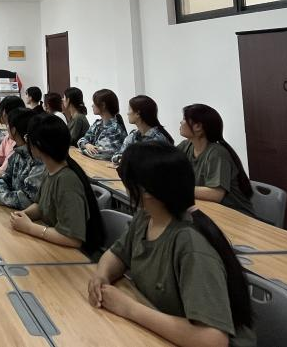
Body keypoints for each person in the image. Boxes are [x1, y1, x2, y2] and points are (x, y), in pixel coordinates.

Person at [89, 144, 256, 347]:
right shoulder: (147, 216)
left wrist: (129, 308)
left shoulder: (191, 244)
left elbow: (213, 340)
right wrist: (102, 276)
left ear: (146, 191)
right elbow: (117, 254)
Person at [10, 114, 104, 252]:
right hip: (55, 247)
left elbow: (73, 239)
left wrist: (30, 227)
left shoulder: (67, 180)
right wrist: (23, 215)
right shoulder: (50, 170)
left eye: (28, 138)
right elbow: (41, 206)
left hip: (77, 256)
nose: (26, 142)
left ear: (39, 145)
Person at [178, 104, 255, 217]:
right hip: (210, 210)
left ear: (198, 126)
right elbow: (166, 164)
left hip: (236, 214)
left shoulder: (217, 153)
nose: (181, 122)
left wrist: (178, 188)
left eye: (184, 119)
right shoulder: (186, 146)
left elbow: (215, 194)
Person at [0, 107, 45, 209]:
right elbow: (6, 180)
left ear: (13, 130)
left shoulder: (37, 159)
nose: (6, 128)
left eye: (7, 125)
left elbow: (25, 200)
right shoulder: (18, 152)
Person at [111, 95, 174, 166]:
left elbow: (153, 165)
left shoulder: (158, 139)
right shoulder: (133, 135)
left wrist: (127, 160)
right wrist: (121, 159)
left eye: (129, 109)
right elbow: (117, 156)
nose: (127, 113)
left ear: (138, 113)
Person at [77, 89, 127, 160]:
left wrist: (82, 149)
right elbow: (82, 140)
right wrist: (87, 145)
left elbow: (100, 154)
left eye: (94, 103)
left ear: (103, 105)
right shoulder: (97, 123)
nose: (92, 105)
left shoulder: (115, 128)